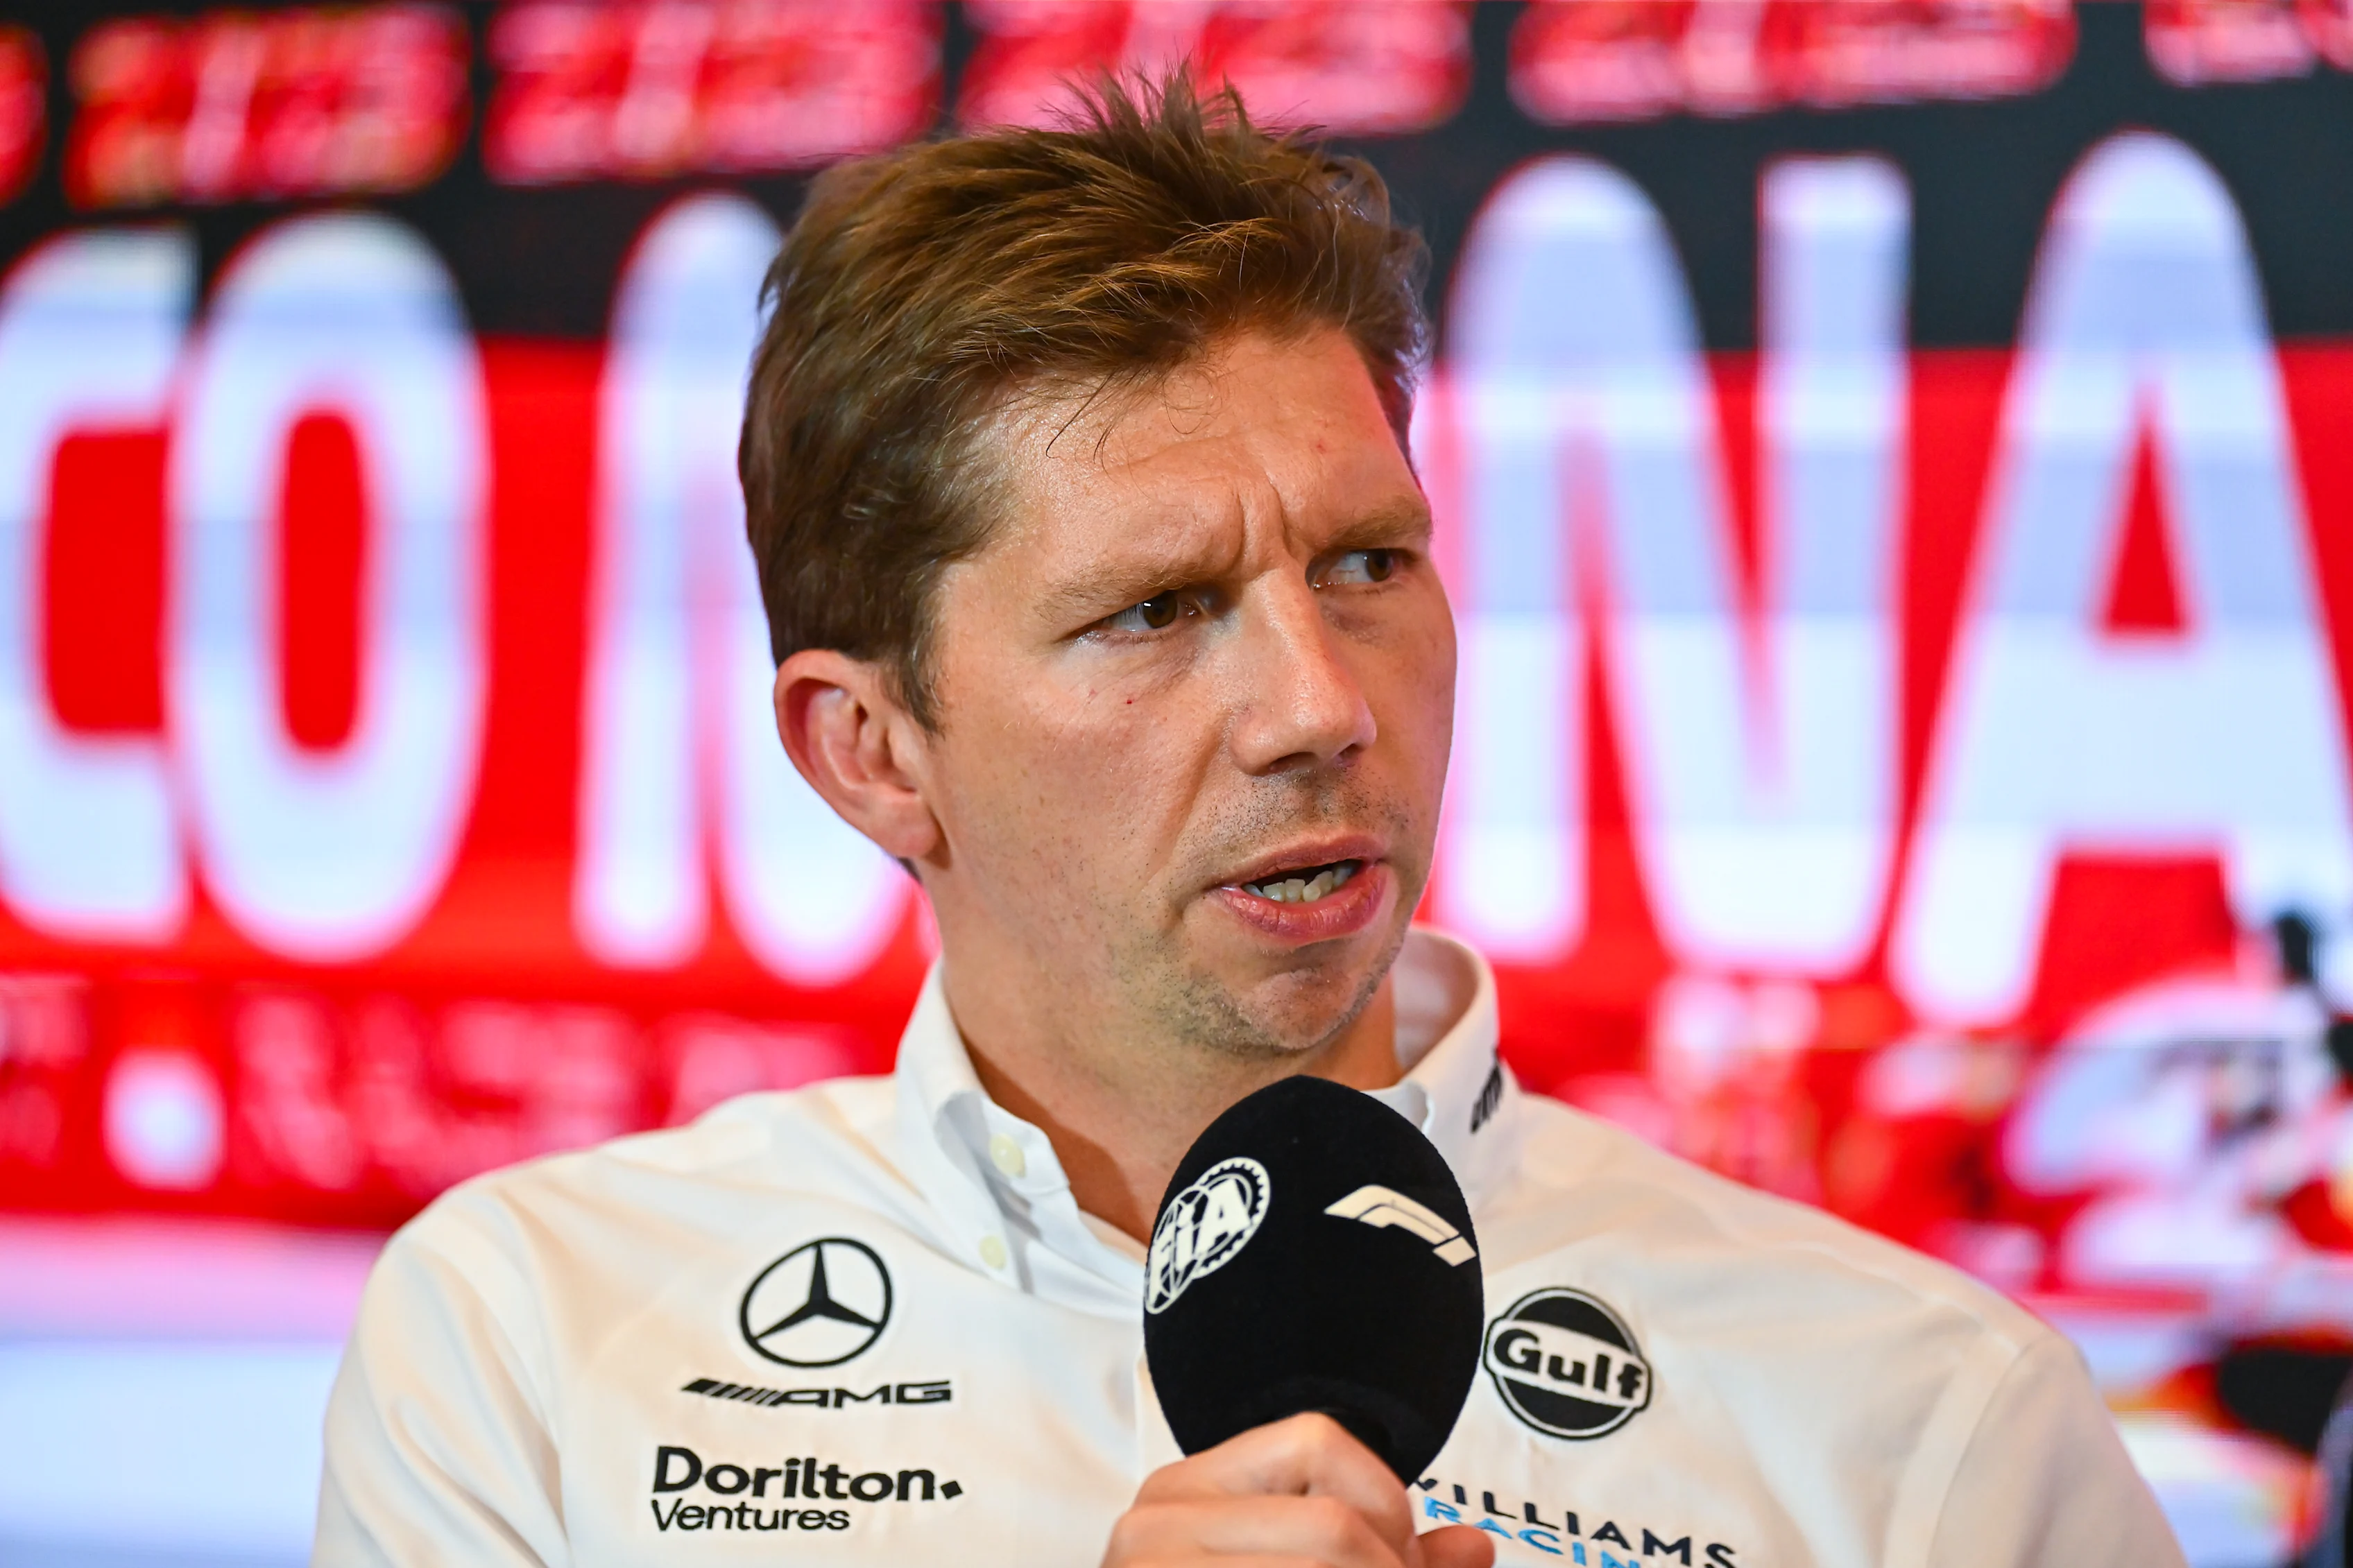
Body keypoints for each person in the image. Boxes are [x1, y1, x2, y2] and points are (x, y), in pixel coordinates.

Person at [314, 78, 2184, 1568]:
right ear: (872, 750)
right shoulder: (533, 1342)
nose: (1321, 706)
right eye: (1157, 608)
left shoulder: (1928, 1424)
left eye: (1368, 562)